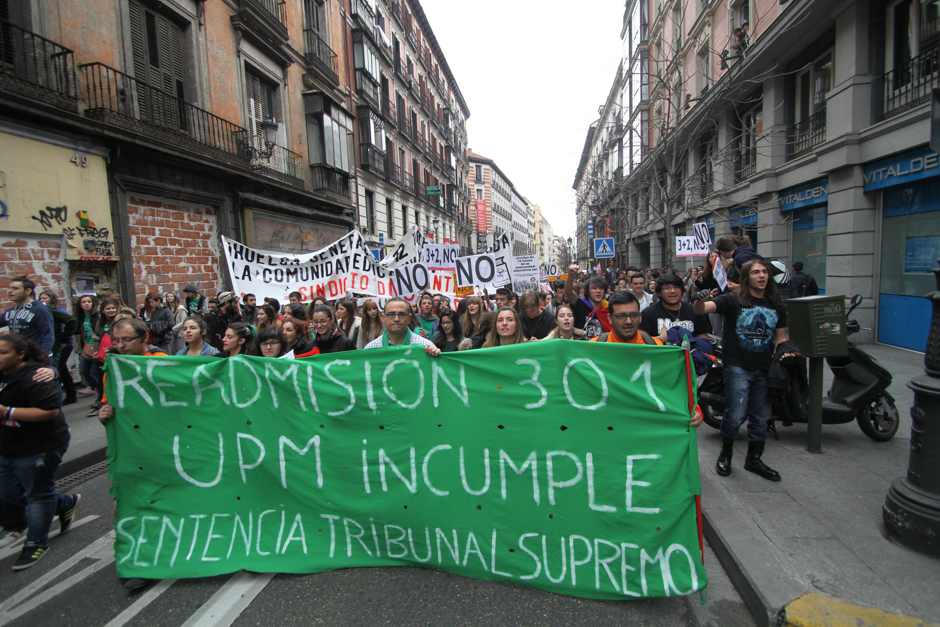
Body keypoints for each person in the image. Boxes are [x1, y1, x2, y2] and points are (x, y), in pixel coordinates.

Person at [693, 259, 790, 481]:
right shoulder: (732, 300)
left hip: (765, 369)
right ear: (747, 277)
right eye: (756, 272)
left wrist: (785, 355)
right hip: (737, 367)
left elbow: (780, 338)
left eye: (765, 272)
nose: (762, 276)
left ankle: (754, 459)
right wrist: (699, 300)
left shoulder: (776, 305)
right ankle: (725, 454)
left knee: (761, 416)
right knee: (735, 414)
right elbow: (702, 309)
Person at [0, 334, 79, 571]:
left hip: (38, 446)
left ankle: (37, 542)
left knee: (37, 495)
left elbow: (49, 411)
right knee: (10, 493)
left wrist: (7, 412)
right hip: (7, 447)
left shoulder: (36, 376)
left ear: (20, 354)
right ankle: (63, 503)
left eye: (3, 352)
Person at [639, 273, 711, 343]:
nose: (672, 291)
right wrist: (660, 339)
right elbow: (640, 343)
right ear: (659, 293)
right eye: (667, 288)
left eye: (676, 287)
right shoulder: (648, 313)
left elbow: (704, 341)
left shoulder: (694, 310)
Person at [38, 292, 78, 405]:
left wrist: (63, 339)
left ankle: (62, 397)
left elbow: (70, 324)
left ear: (52, 299)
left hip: (64, 344)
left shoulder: (58, 310)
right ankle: (71, 393)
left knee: (58, 369)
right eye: (40, 298)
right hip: (57, 343)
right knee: (63, 369)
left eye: (45, 298)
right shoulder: (42, 310)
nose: (42, 300)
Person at [364, 298, 440, 355]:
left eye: (401, 314)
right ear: (383, 318)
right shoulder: (370, 349)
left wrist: (436, 357)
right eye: (391, 314)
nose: (396, 319)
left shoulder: (426, 346)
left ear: (409, 318)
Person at [1, 277, 54, 357]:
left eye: (15, 288)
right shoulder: (11, 311)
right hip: (18, 356)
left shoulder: (39, 309)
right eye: (9, 288)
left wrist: (43, 356)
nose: (10, 291)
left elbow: (48, 334)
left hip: (35, 356)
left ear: (28, 291)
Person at [589, 292, 662, 346]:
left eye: (634, 315)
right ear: (610, 318)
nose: (628, 321)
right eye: (621, 316)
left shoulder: (656, 346)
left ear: (640, 317)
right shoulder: (593, 347)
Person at [564, 265, 611, 339]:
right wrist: (571, 275)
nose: (598, 291)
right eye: (594, 288)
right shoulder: (581, 304)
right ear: (588, 292)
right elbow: (568, 292)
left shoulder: (609, 309)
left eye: (601, 288)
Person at [74, 295, 99, 396]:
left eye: (89, 301)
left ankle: (101, 392)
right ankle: (98, 388)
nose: (86, 304)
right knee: (83, 370)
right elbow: (77, 331)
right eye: (84, 302)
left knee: (94, 372)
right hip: (86, 346)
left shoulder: (97, 316)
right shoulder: (80, 317)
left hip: (96, 346)